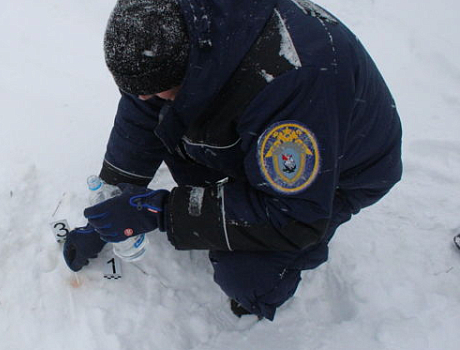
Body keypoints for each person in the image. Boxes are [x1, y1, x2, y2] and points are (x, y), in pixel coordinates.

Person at [62, 0, 402, 321]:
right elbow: (144, 111)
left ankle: (282, 268)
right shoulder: (181, 33)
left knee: (247, 277)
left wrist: (163, 212)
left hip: (343, 170)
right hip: (264, 120)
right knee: (172, 117)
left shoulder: (286, 84)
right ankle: (235, 186)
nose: (143, 97)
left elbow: (294, 214)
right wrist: (117, 191)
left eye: (153, 89)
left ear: (188, 65)